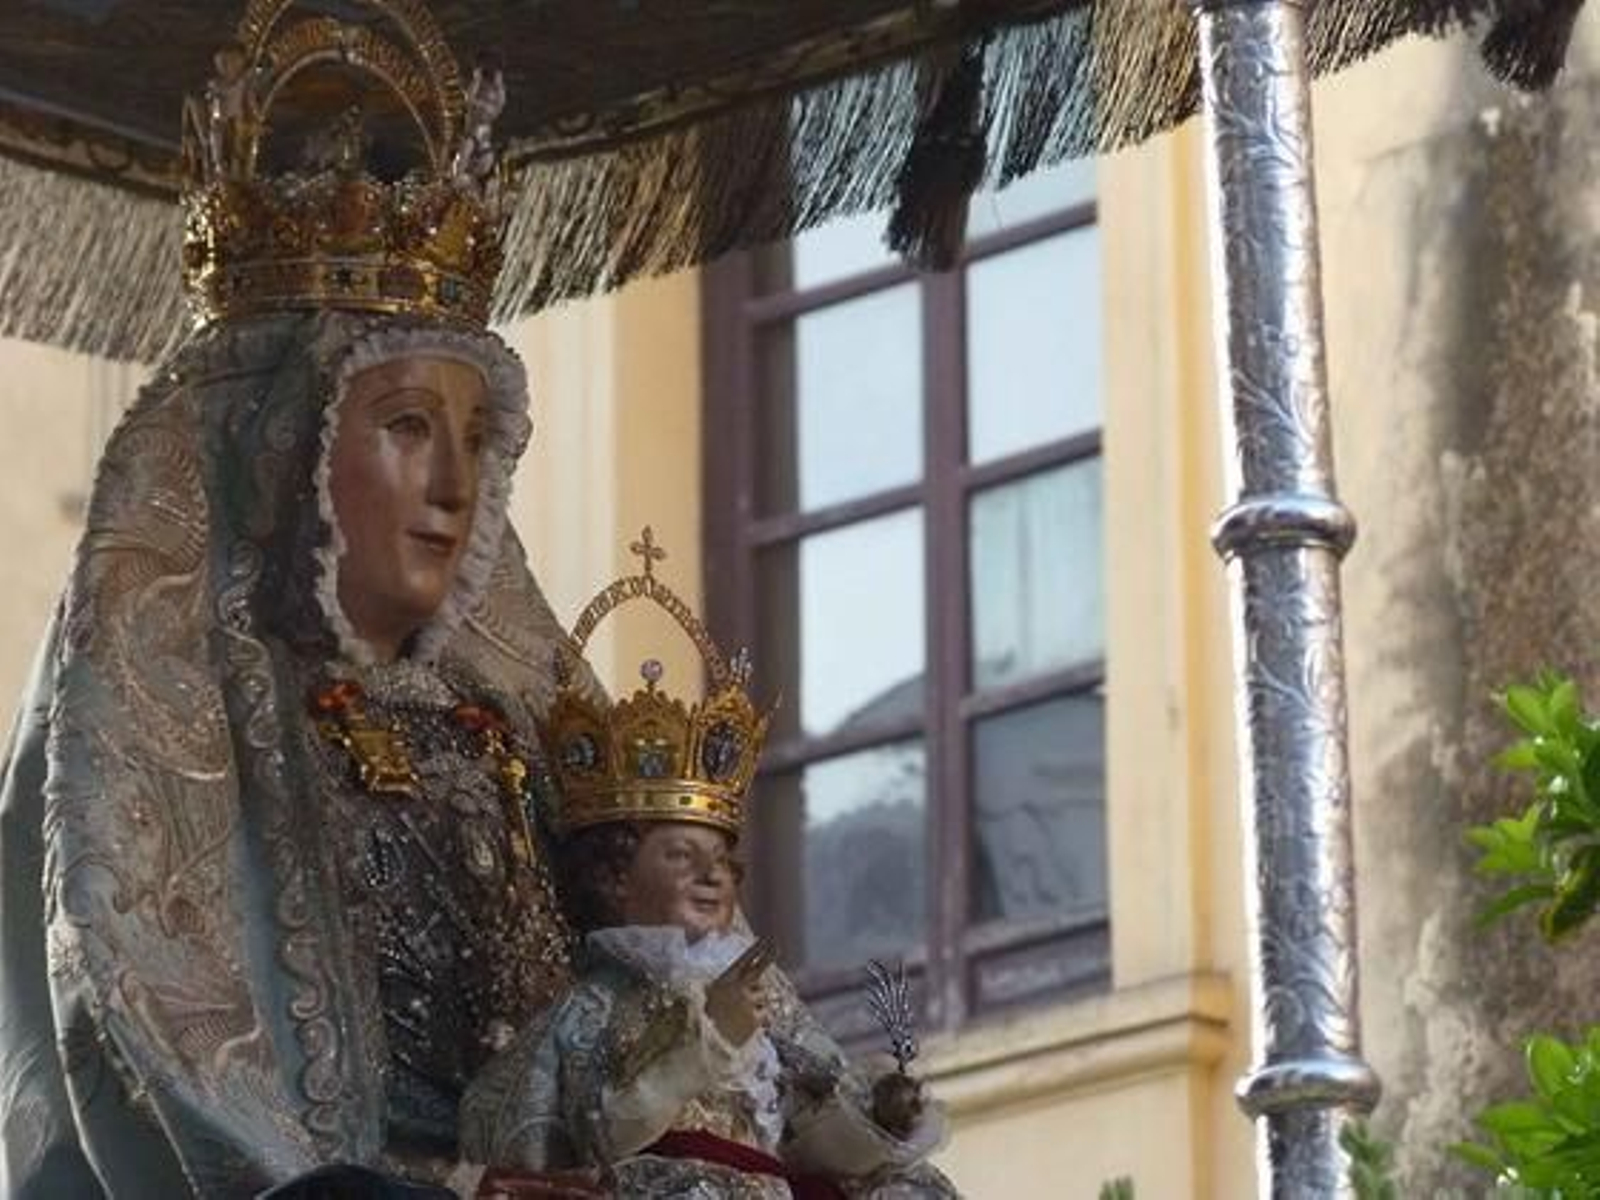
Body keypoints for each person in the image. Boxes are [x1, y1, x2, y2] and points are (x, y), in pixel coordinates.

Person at [0, 3, 590, 1195]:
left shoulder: (507, 723)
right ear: (288, 455)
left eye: (479, 438)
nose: (455, 487)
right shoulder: (177, 721)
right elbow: (152, 1053)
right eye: (409, 428)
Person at [458, 543, 960, 1199]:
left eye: (721, 859)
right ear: (614, 878)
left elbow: (803, 1131)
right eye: (680, 856)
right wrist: (707, 1036)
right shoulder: (596, 1007)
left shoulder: (763, 999)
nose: (712, 875)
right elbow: (602, 1127)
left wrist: (873, 1115)